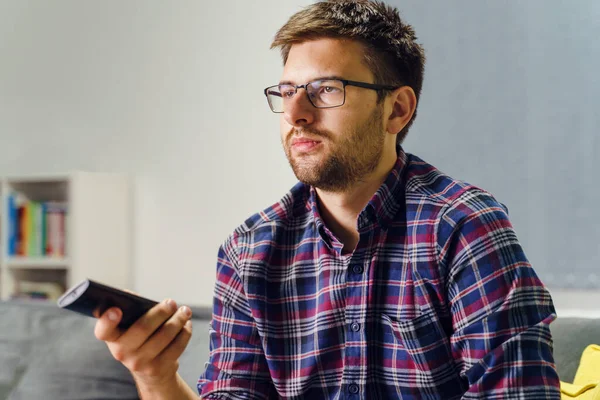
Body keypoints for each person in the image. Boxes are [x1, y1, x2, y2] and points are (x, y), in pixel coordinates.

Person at [95, 0, 561, 398]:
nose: (296, 113)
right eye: (287, 91)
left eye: (325, 90)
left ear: (396, 109)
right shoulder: (248, 252)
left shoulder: (463, 226)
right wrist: (154, 374)